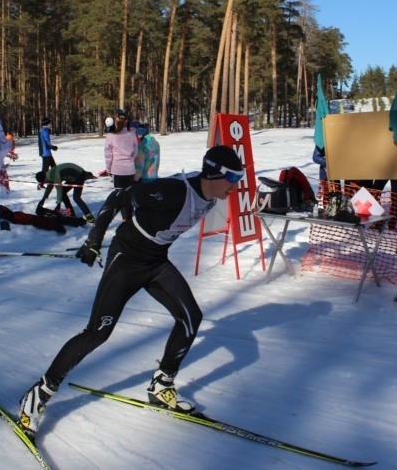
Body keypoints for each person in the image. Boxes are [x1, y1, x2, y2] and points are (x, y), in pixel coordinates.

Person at [17, 145, 246, 442]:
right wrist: (93, 241)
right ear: (215, 173)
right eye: (233, 177)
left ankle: (162, 385)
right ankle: (39, 394)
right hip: (126, 260)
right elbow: (117, 197)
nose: (236, 185)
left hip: (156, 261)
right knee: (97, 332)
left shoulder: (211, 196)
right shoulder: (173, 191)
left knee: (190, 317)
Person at [104, 109, 138, 190]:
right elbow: (135, 152)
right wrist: (129, 160)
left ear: (116, 122)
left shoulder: (110, 136)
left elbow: (108, 155)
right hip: (130, 170)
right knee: (129, 195)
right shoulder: (132, 134)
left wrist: (108, 169)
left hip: (117, 170)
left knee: (119, 195)